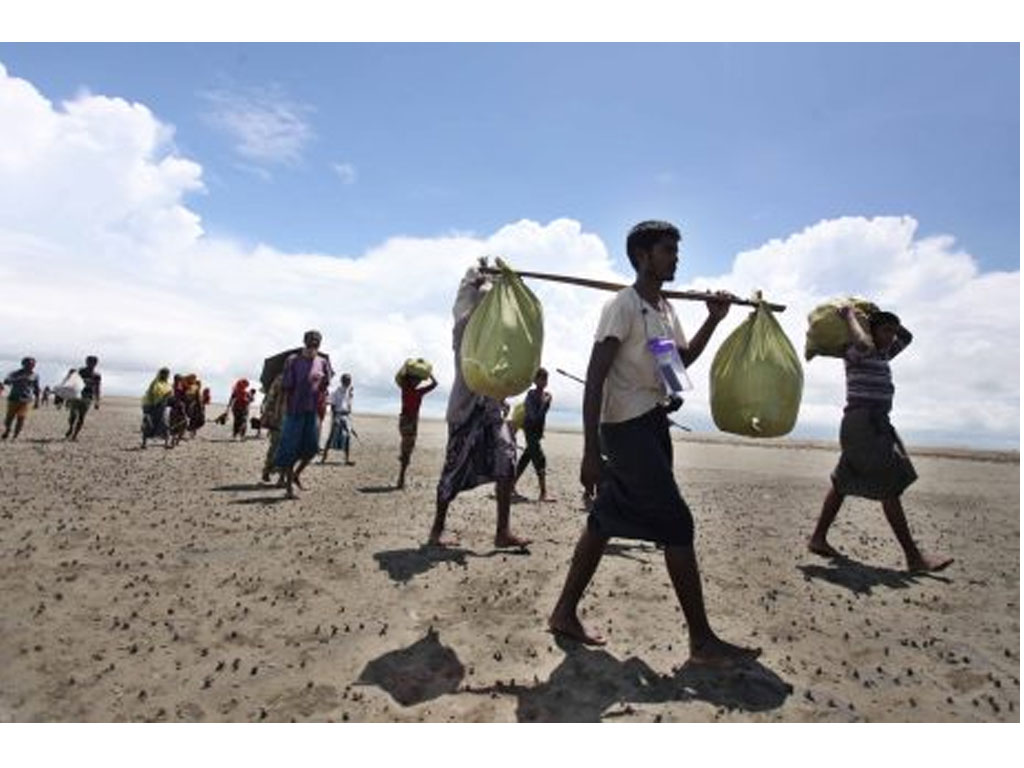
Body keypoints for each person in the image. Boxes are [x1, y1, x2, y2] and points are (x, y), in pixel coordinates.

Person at [547, 220, 761, 667]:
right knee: (677, 523)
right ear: (642, 256)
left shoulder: (661, 308)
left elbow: (676, 365)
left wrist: (713, 320)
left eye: (675, 250)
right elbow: (595, 381)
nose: (675, 257)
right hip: (624, 427)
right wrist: (590, 451)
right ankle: (701, 642)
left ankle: (563, 612)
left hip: (652, 423)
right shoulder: (622, 307)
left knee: (606, 518)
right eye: (667, 250)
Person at [808, 306, 953, 573]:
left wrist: (879, 314)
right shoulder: (855, 351)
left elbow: (907, 338)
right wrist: (852, 317)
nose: (891, 336)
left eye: (892, 331)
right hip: (863, 424)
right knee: (889, 487)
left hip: (875, 424)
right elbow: (863, 342)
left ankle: (818, 538)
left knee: (842, 482)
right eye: (885, 330)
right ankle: (914, 558)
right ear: (871, 330)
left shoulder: (885, 353)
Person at [428, 263, 530, 549]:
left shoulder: (497, 337)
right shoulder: (464, 330)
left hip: (492, 410)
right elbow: (468, 297)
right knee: (453, 468)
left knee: (507, 463)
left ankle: (502, 532)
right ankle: (437, 530)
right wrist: (480, 281)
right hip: (465, 408)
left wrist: (510, 287)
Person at [275, 330, 333, 498]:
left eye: (316, 341)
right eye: (310, 341)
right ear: (305, 341)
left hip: (312, 410)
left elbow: (325, 386)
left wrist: (320, 383)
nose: (313, 344)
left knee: (312, 448)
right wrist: (283, 410)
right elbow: (286, 386)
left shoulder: (323, 362)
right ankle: (288, 489)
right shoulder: (293, 361)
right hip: (294, 410)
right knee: (290, 448)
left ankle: (296, 475)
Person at [513, 367, 554, 502]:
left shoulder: (547, 396)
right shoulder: (531, 395)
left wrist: (546, 403)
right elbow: (533, 416)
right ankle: (543, 493)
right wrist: (544, 403)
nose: (544, 381)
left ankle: (510, 485)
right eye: (541, 378)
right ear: (535, 380)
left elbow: (541, 415)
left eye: (545, 379)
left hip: (537, 432)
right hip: (530, 430)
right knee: (540, 459)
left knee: (526, 458)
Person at [396, 370, 438, 488]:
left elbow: (435, 384)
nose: (418, 382)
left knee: (407, 448)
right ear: (410, 380)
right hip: (407, 421)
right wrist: (427, 374)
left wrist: (429, 374)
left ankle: (401, 475)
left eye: (418, 381)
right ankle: (401, 478)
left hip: (411, 422)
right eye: (416, 380)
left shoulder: (417, 391)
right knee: (407, 449)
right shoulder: (407, 389)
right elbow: (403, 375)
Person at [2, 357, 41, 441]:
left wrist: (37, 401)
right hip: (13, 398)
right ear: (23, 364)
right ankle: (7, 430)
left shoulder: (35, 376)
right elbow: (6, 381)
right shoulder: (15, 373)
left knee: (21, 418)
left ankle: (15, 436)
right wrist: (17, 378)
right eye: (29, 364)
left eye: (32, 364)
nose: (31, 366)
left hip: (26, 400)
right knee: (9, 419)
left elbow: (36, 389)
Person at [65, 355, 101, 441]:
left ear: (96, 364)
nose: (91, 364)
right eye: (89, 362)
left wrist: (97, 401)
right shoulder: (80, 372)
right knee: (73, 415)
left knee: (81, 417)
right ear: (86, 362)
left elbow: (97, 388)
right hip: (77, 396)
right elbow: (71, 382)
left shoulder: (96, 376)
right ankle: (70, 427)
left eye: (93, 362)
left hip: (88, 398)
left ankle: (75, 435)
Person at [322, 374, 355, 465]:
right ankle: (323, 458)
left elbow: (348, 404)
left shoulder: (349, 392)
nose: (348, 382)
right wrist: (335, 418)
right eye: (346, 380)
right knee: (332, 436)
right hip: (338, 416)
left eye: (349, 380)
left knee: (347, 437)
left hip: (346, 416)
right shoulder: (336, 392)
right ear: (342, 381)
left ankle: (346, 459)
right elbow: (332, 405)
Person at [141, 367, 173, 449]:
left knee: (165, 424)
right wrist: (164, 396)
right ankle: (144, 443)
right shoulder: (155, 383)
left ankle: (166, 444)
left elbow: (169, 394)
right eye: (165, 374)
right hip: (152, 407)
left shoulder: (166, 384)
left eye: (168, 374)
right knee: (149, 425)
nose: (167, 376)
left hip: (162, 407)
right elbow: (155, 394)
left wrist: (169, 396)